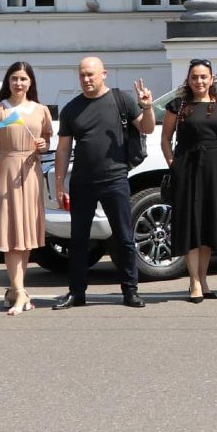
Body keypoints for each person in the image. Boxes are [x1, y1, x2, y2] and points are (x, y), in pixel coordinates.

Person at [52, 56, 154, 309]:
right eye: (82, 75)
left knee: (123, 237)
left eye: (91, 74)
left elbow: (147, 128)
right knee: (78, 240)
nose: (86, 79)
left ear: (103, 74)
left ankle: (130, 290)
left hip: (115, 179)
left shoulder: (121, 100)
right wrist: (59, 183)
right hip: (82, 182)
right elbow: (63, 149)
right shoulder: (71, 109)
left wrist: (147, 107)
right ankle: (76, 292)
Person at [0, 61, 53, 315]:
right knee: (10, 235)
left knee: (25, 234)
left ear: (31, 82)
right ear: (8, 82)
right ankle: (20, 292)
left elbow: (46, 141)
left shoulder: (41, 110)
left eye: (23, 79)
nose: (19, 83)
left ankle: (14, 289)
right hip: (5, 172)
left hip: (30, 174)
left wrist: (42, 145)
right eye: (14, 78)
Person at [160, 58, 217, 302]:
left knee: (208, 223)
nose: (199, 81)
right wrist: (173, 164)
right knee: (190, 223)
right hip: (187, 167)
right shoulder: (178, 105)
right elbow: (165, 139)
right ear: (188, 80)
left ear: (211, 79)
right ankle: (193, 281)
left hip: (214, 168)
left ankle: (203, 279)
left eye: (203, 77)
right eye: (194, 77)